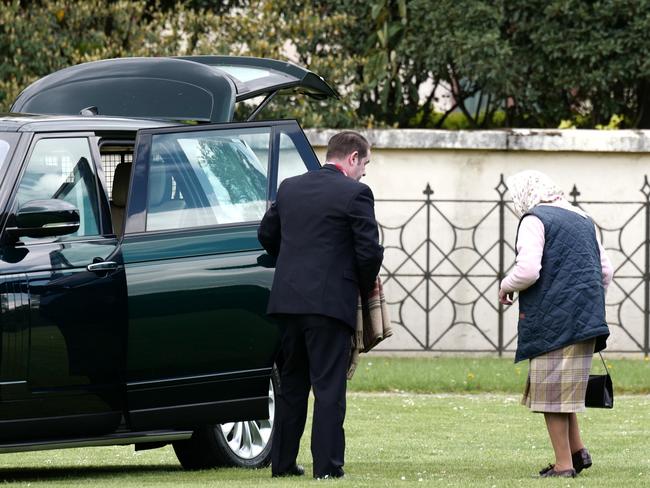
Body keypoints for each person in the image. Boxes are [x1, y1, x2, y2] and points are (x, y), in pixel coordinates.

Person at [258, 131, 384, 479]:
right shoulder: (357, 193)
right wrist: (360, 285)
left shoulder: (289, 187)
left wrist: (293, 264)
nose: (364, 173)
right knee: (329, 387)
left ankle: (282, 464)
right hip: (329, 303)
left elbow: (266, 235)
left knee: (292, 385)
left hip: (287, 301)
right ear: (353, 158)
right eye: (365, 164)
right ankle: (327, 468)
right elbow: (369, 251)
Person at [499, 170, 613, 478]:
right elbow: (605, 271)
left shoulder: (535, 219)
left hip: (554, 320)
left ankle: (563, 467)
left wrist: (506, 285)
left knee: (551, 396)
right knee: (565, 393)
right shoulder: (583, 218)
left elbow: (528, 271)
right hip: (587, 318)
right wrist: (588, 302)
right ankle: (577, 452)